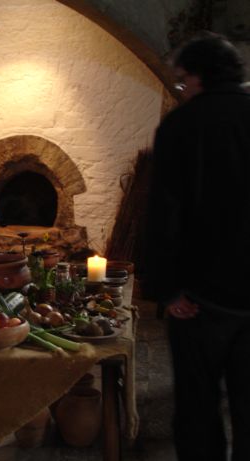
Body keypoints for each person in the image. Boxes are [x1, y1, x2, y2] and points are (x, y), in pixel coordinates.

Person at [144, 31, 250, 461]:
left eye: (183, 80)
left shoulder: (182, 125)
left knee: (197, 406)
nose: (181, 88)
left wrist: (168, 289)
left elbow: (164, 214)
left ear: (200, 77)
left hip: (201, 300)